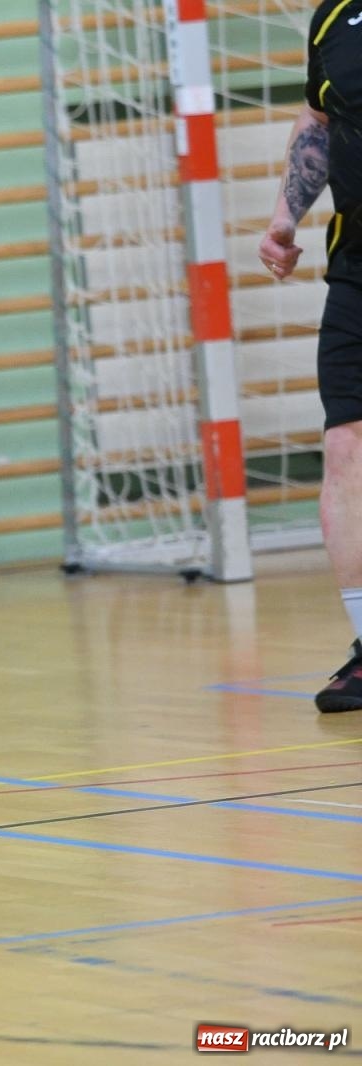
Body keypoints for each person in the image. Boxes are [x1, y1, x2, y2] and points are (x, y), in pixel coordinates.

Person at [261, 0, 362, 712]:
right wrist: (283, 215)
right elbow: (320, 121)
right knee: (346, 447)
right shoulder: (334, 15)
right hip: (357, 269)